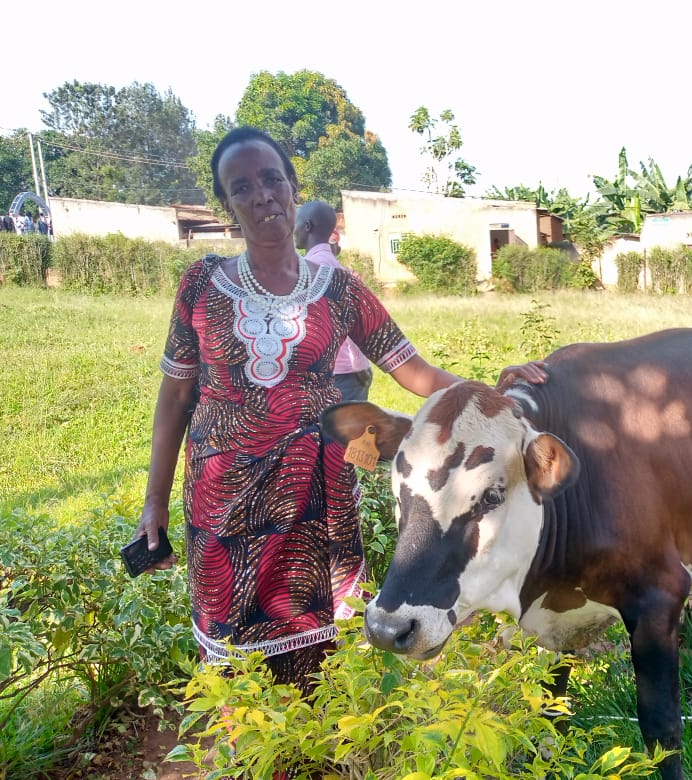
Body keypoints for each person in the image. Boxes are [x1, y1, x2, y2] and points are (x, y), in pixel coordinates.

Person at [133, 126, 547, 694]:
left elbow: (416, 373)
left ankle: (320, 754)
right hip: (221, 497)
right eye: (242, 186)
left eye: (272, 179)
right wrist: (154, 500)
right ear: (226, 202)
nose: (262, 196)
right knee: (233, 659)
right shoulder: (202, 283)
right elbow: (176, 396)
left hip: (315, 496)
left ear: (294, 185)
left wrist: (493, 391)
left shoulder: (339, 288)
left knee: (317, 646)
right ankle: (249, 754)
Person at [293, 200, 373, 402]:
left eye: (296, 224)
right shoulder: (339, 269)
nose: (293, 231)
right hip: (354, 368)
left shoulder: (312, 269)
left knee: (334, 433)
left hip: (338, 373)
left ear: (307, 227)